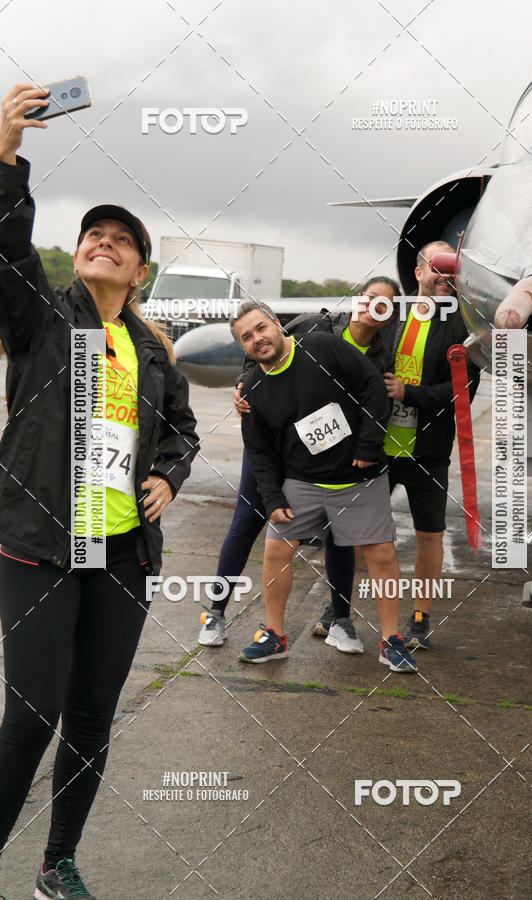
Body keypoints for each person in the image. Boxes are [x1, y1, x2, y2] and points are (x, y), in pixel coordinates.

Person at [0, 84, 199, 899]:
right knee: (31, 718)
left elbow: (180, 433)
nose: (105, 243)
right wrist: (7, 155)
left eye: (122, 240)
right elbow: (9, 248)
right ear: (78, 255)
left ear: (140, 268)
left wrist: (168, 476)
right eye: (94, 235)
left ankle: (58, 864)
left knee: (89, 718)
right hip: (42, 545)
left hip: (119, 554)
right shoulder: (44, 321)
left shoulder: (151, 350)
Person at [198, 278, 399, 655]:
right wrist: (245, 387)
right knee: (249, 520)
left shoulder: (381, 352)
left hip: (330, 463)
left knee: (339, 535)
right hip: (279, 451)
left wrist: (369, 443)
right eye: (369, 299)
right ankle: (217, 611)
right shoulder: (316, 327)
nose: (373, 307)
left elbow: (372, 390)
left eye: (384, 305)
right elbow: (259, 353)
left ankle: (341, 619)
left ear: (390, 315)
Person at [383, 241, 480, 650]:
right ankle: (337, 611)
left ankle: (420, 619)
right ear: (418, 272)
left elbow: (465, 390)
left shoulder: (463, 325)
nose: (445, 276)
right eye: (437, 268)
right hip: (378, 449)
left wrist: (410, 394)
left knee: (430, 536)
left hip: (428, 452)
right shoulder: (391, 317)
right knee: (360, 533)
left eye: (452, 271)